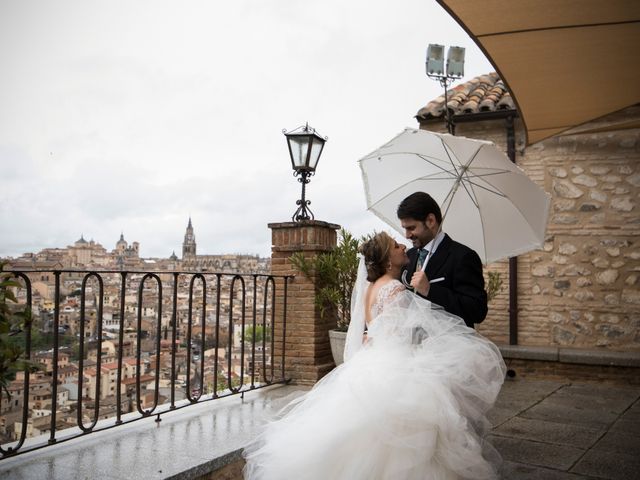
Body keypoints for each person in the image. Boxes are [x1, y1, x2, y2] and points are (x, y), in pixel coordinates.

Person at [243, 232, 506, 480]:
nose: (403, 246)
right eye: (395, 245)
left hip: (374, 360)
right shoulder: (395, 290)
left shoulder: (371, 287)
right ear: (387, 259)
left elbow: (374, 328)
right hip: (396, 362)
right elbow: (407, 332)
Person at [397, 191, 487, 328]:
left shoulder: (463, 257)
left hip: (451, 345)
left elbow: (477, 311)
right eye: (405, 229)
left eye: (411, 228)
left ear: (431, 221)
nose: (407, 235)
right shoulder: (410, 255)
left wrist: (430, 290)